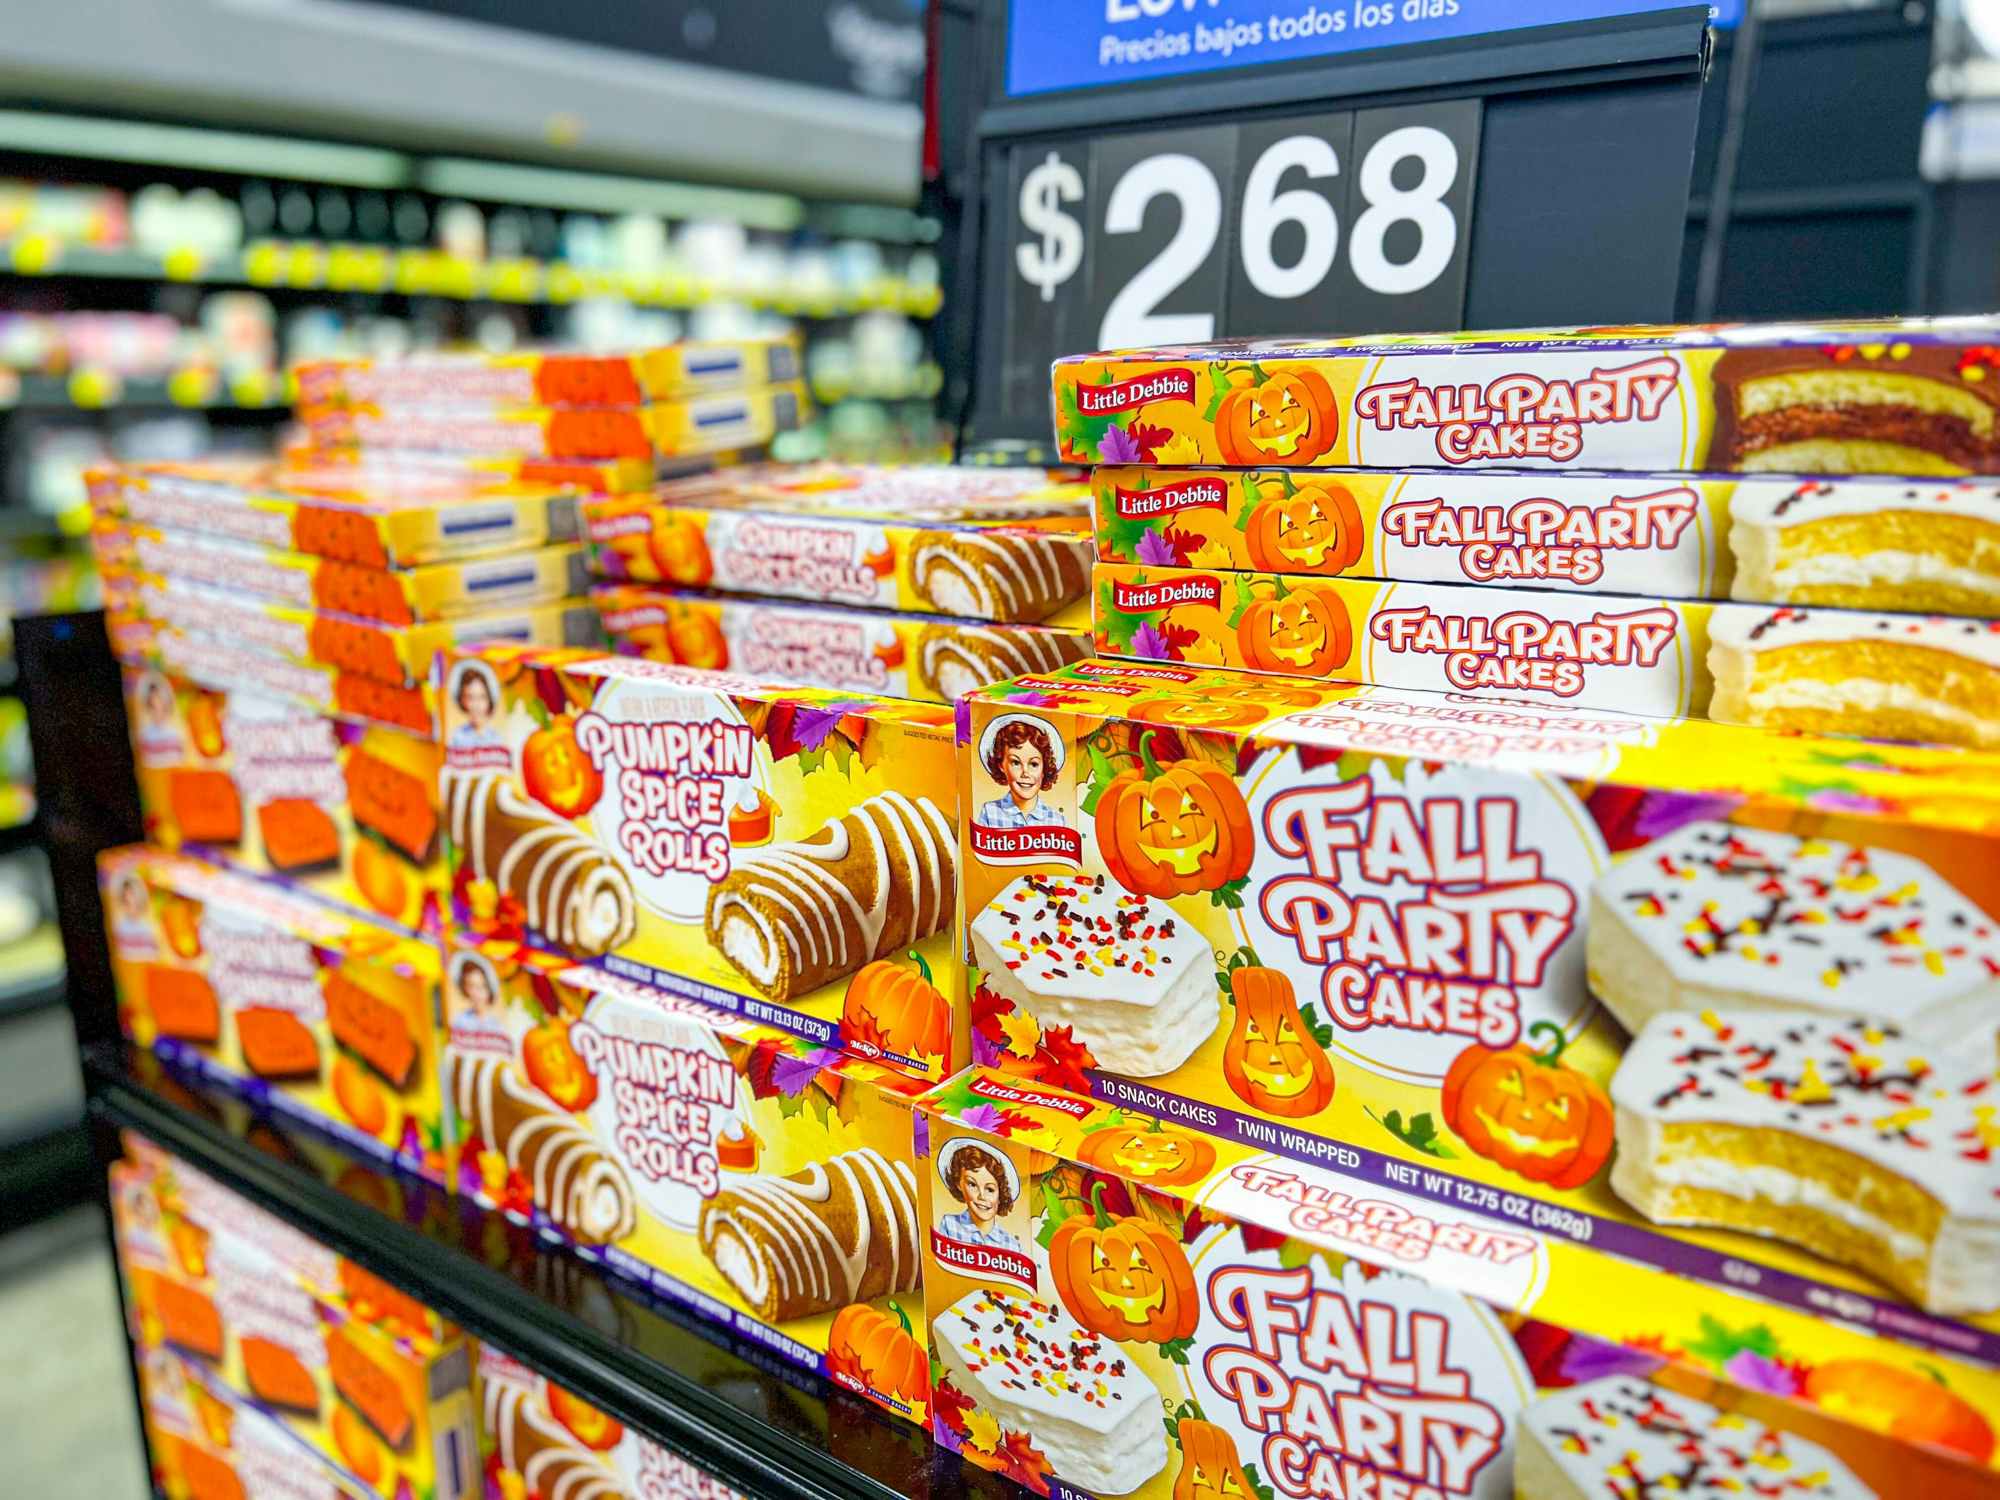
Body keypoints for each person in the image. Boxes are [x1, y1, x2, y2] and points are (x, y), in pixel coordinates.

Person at [977, 717, 1064, 829]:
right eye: (1016, 762)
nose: (1025, 773)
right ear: (1001, 765)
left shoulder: (1056, 820)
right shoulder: (990, 812)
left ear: (1044, 768)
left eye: (1034, 764)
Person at [938, 1142, 1020, 1250]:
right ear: (959, 1184)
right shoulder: (949, 1225)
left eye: (990, 1189)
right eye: (972, 1185)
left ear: (1001, 1194)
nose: (982, 1196)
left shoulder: (1011, 1244)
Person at [447, 664, 502, 751]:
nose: (476, 705)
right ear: (462, 701)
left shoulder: (496, 739)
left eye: (482, 697)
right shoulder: (458, 737)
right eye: (470, 698)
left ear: (489, 700)